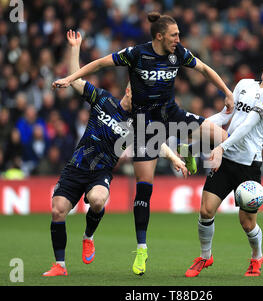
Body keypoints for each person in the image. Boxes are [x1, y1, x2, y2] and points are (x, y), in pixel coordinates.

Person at [53, 12, 230, 276]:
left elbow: (203, 68)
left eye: (179, 35)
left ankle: (191, 149)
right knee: (143, 190)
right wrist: (70, 77)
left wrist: (226, 92)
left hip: (171, 114)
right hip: (146, 128)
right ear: (159, 36)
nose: (179, 39)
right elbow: (100, 64)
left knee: (222, 138)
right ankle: (142, 248)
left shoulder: (178, 53)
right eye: (174, 35)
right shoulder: (132, 59)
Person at [43, 30, 188, 277]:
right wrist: (75, 48)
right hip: (76, 167)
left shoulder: (138, 121)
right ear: (130, 91)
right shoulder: (102, 99)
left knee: (98, 200)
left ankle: (88, 237)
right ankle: (60, 265)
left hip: (100, 172)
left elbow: (156, 143)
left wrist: (174, 157)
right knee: (58, 210)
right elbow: (77, 80)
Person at [184, 49, 263, 278]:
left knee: (246, 222)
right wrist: (193, 128)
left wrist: (220, 147)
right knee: (205, 210)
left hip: (248, 164)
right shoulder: (244, 84)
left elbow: (248, 126)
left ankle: (256, 257)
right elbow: (225, 116)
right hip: (226, 158)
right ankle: (205, 256)